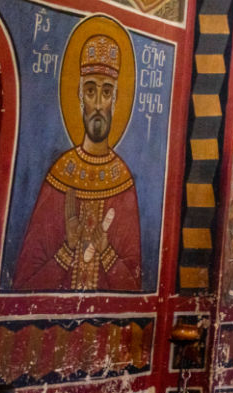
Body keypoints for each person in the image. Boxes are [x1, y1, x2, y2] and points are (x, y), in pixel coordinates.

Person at [10, 33, 143, 291]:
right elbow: (25, 283)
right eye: (90, 91)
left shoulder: (123, 179)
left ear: (116, 101)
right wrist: (67, 248)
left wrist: (106, 252)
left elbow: (134, 285)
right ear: (79, 96)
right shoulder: (60, 175)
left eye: (106, 93)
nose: (97, 104)